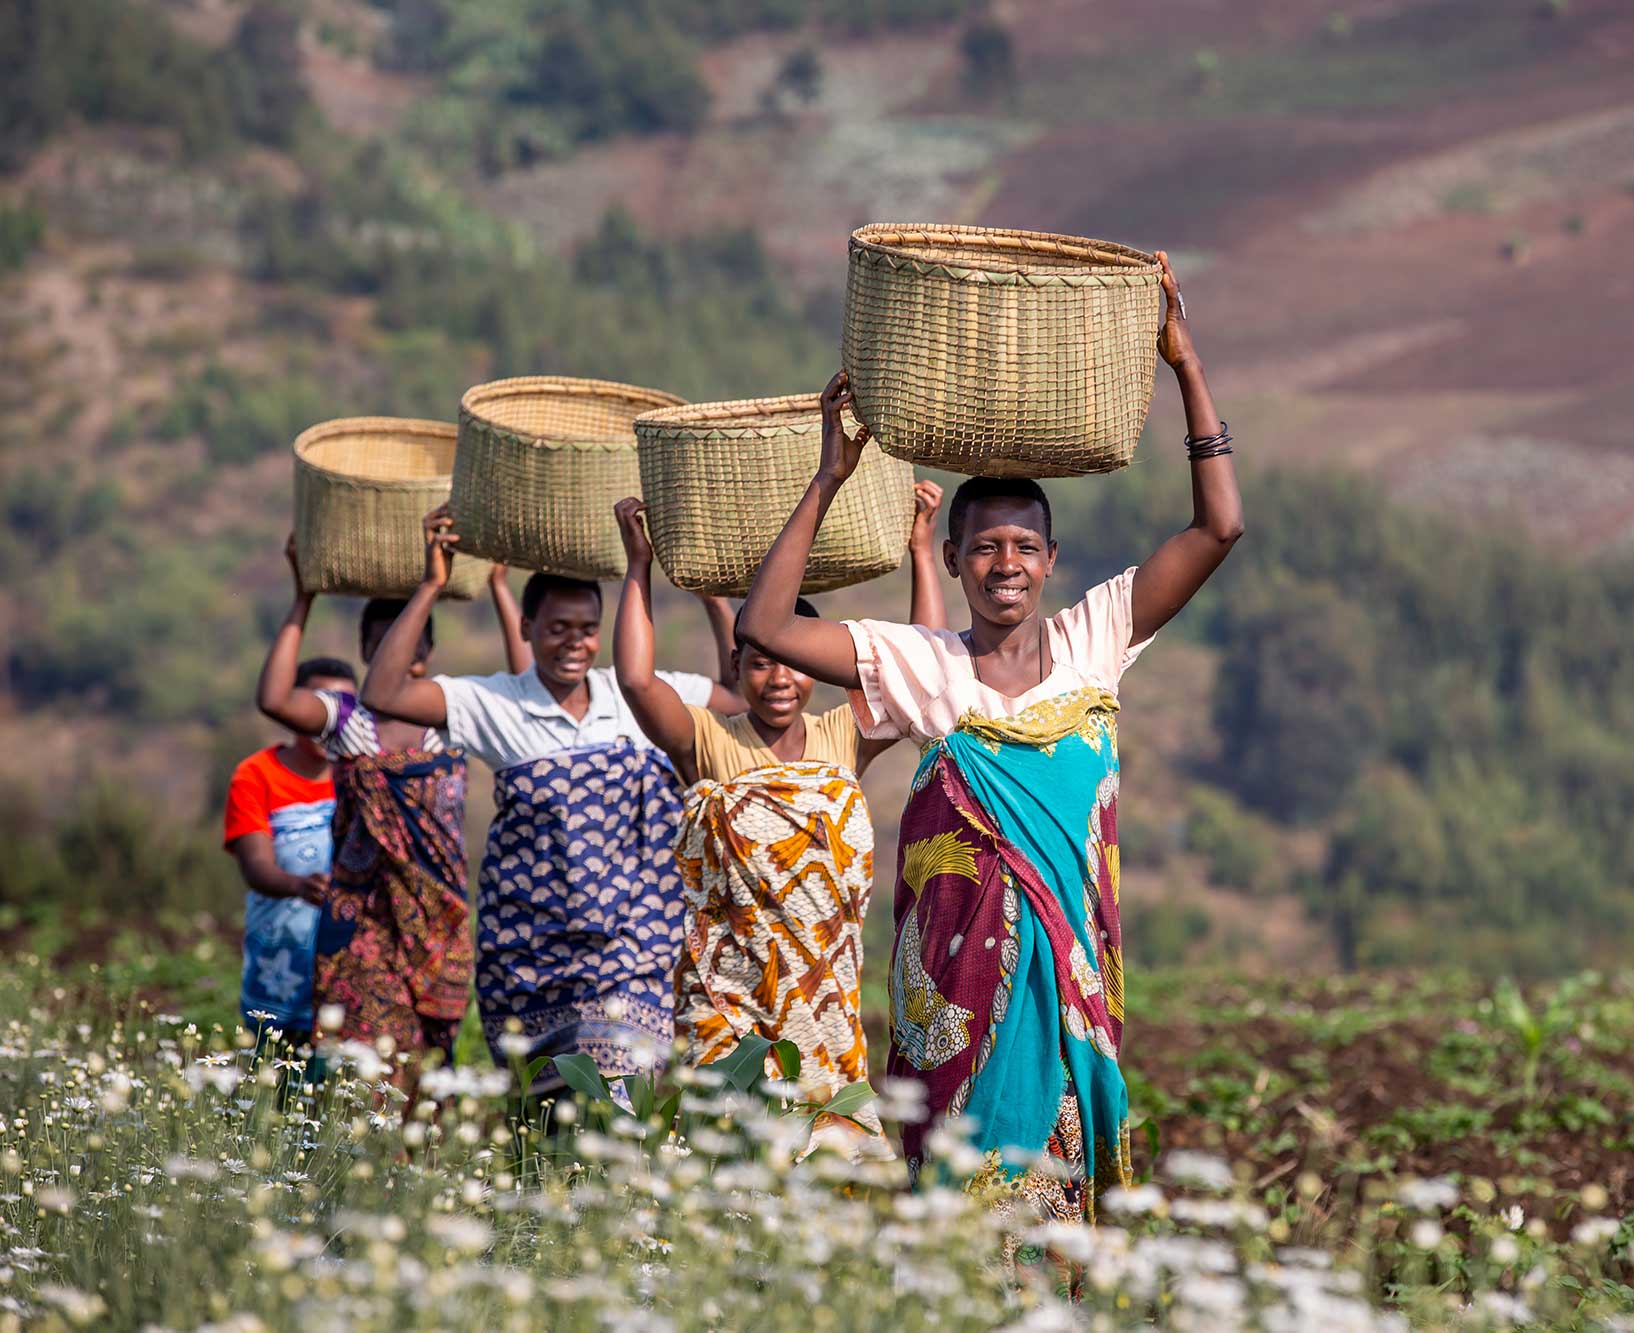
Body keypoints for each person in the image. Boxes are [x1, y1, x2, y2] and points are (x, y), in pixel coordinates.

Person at [736, 254, 1243, 1222]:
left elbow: (1216, 528)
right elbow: (764, 626)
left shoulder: (1093, 640)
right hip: (962, 996)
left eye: (1021, 548)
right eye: (982, 548)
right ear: (955, 560)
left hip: (1069, 989)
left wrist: (1183, 364)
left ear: (1049, 562)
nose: (1003, 565)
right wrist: (828, 477)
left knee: (1057, 1196)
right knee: (963, 1194)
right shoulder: (922, 663)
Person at [609, 481, 946, 1143]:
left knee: (835, 1173)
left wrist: (920, 549)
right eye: (761, 664)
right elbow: (636, 681)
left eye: (792, 663)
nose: (780, 680)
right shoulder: (709, 741)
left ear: (813, 667)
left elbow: (920, 672)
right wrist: (639, 568)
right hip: (731, 1012)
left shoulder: (841, 735)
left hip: (826, 1005)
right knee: (730, 1171)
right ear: (737, 665)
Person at [360, 506, 740, 1093]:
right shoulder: (495, 702)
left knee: (621, 1094)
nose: (575, 643)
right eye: (558, 628)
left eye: (587, 628)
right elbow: (383, 692)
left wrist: (711, 594)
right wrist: (433, 584)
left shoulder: (635, 693)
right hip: (531, 957)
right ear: (526, 628)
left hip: (633, 950)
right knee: (547, 1120)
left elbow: (739, 695)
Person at [253, 539, 531, 1072]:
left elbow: (528, 696)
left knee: (428, 1071)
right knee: (363, 1066)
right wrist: (302, 599)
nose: (401, 657)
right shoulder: (347, 720)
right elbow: (274, 699)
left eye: (411, 644)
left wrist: (499, 586)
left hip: (437, 922)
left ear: (426, 651)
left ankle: (414, 1157)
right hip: (363, 928)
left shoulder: (453, 716)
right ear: (365, 652)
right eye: (385, 645)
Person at [223, 655, 353, 1049]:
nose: (325, 719)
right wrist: (298, 885)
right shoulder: (257, 774)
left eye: (341, 708)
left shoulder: (364, 776)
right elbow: (256, 865)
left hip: (352, 976)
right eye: (315, 705)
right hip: (279, 973)